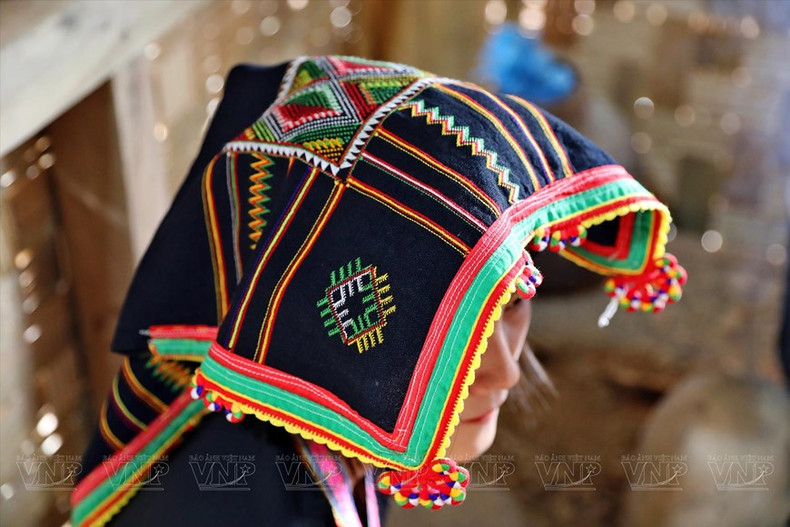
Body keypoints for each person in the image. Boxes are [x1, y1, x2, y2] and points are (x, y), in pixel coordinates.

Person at [71, 56, 685, 526]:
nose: (504, 373)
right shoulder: (230, 498)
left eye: (512, 302)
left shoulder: (331, 432)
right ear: (327, 313)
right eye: (436, 318)